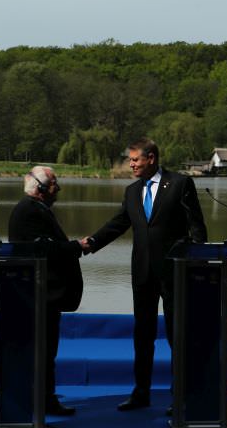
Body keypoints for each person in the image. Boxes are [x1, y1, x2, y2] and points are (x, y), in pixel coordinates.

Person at [81, 138, 207, 412]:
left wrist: (197, 263)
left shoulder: (180, 184)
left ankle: (182, 396)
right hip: (142, 273)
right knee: (143, 335)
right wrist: (91, 242)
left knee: (178, 336)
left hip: (175, 272)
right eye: (131, 160)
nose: (132, 164)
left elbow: (197, 228)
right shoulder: (131, 192)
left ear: (151, 158)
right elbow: (119, 223)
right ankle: (141, 393)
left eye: (135, 159)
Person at [8, 166, 84, 416]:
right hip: (39, 294)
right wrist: (76, 246)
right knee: (43, 350)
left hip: (45, 294)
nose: (58, 188)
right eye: (53, 184)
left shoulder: (36, 209)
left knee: (47, 350)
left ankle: (44, 397)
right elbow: (42, 250)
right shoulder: (29, 211)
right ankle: (42, 400)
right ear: (40, 189)